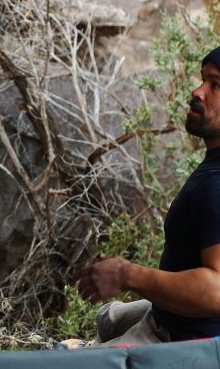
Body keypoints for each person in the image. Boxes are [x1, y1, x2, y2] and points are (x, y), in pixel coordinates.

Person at [72, 47, 220, 345]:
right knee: (109, 316)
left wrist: (128, 275)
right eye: (202, 79)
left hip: (187, 341)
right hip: (176, 320)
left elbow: (217, 291)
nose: (198, 91)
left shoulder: (216, 184)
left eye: (215, 84)